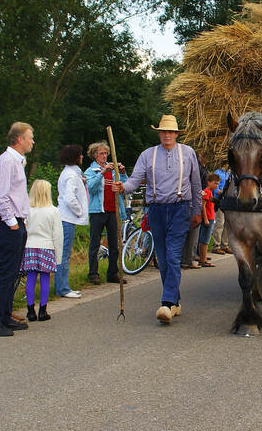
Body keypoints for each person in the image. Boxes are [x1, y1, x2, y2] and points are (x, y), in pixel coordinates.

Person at [114, 114, 202, 324]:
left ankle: (168, 303)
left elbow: (196, 184)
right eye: (163, 132)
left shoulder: (188, 153)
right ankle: (175, 299)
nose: (167, 135)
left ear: (176, 134)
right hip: (156, 210)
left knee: (172, 256)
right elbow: (134, 181)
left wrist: (198, 211)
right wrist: (122, 187)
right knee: (162, 259)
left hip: (180, 209)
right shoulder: (148, 155)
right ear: (159, 133)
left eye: (171, 132)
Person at [0, 122, 34, 337]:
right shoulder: (6, 162)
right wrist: (12, 222)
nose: (33, 141)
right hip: (7, 224)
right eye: (30, 137)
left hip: (15, 223)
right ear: (19, 139)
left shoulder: (16, 162)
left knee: (11, 273)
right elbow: (1, 196)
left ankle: (4, 316)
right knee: (5, 274)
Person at [85, 141, 127, 285]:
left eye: (105, 153)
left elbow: (124, 186)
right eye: (101, 153)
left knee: (114, 244)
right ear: (95, 155)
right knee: (95, 243)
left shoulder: (112, 169)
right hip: (98, 210)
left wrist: (122, 172)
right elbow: (90, 188)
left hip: (113, 210)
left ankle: (113, 273)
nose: (104, 156)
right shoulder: (91, 171)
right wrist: (102, 173)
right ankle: (93, 273)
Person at [21, 180, 63, 322]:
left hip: (30, 245)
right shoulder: (54, 211)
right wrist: (58, 257)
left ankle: (30, 310)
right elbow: (57, 235)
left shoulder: (27, 210)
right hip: (47, 245)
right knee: (45, 278)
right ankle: (43, 310)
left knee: (31, 278)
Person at [55, 144, 87, 298]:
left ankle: (63, 286)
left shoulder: (70, 173)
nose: (82, 157)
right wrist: (79, 211)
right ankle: (62, 288)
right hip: (66, 219)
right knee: (63, 254)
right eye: (80, 154)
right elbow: (69, 198)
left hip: (65, 218)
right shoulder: (71, 175)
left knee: (63, 254)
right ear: (75, 157)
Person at [197, 173, 221, 267]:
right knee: (205, 240)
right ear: (208, 182)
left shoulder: (210, 192)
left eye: (218, 184)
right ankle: (202, 260)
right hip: (208, 218)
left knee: (205, 239)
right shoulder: (206, 191)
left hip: (211, 217)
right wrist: (206, 219)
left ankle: (203, 258)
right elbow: (203, 205)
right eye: (215, 183)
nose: (216, 185)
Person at [210, 167, 231, 254]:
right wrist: (221, 193)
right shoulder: (218, 172)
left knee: (227, 223)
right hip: (219, 200)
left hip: (227, 201)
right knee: (219, 223)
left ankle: (225, 245)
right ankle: (216, 245)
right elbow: (215, 187)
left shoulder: (229, 173)